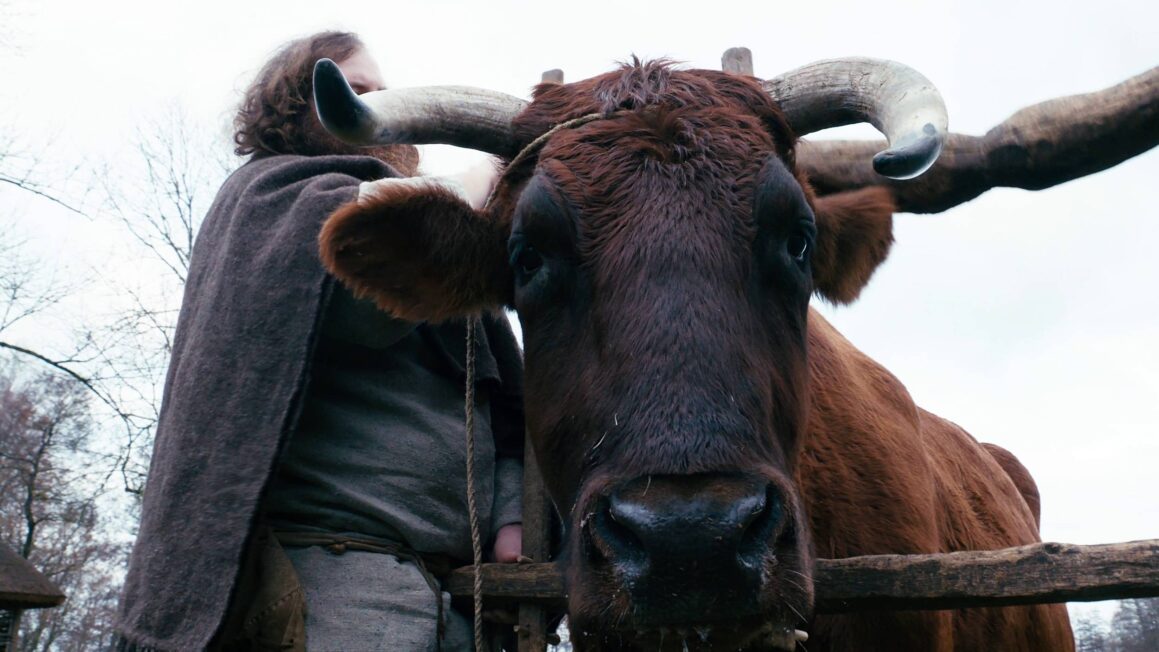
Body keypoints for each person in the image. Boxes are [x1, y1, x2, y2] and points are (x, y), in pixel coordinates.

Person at [114, 31, 525, 651]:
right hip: (329, 583)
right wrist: (481, 177)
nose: (380, 108)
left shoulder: (443, 245)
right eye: (355, 91)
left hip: (459, 599)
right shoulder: (269, 198)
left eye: (385, 95)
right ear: (289, 105)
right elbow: (369, 301)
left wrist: (514, 519)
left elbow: (503, 407)